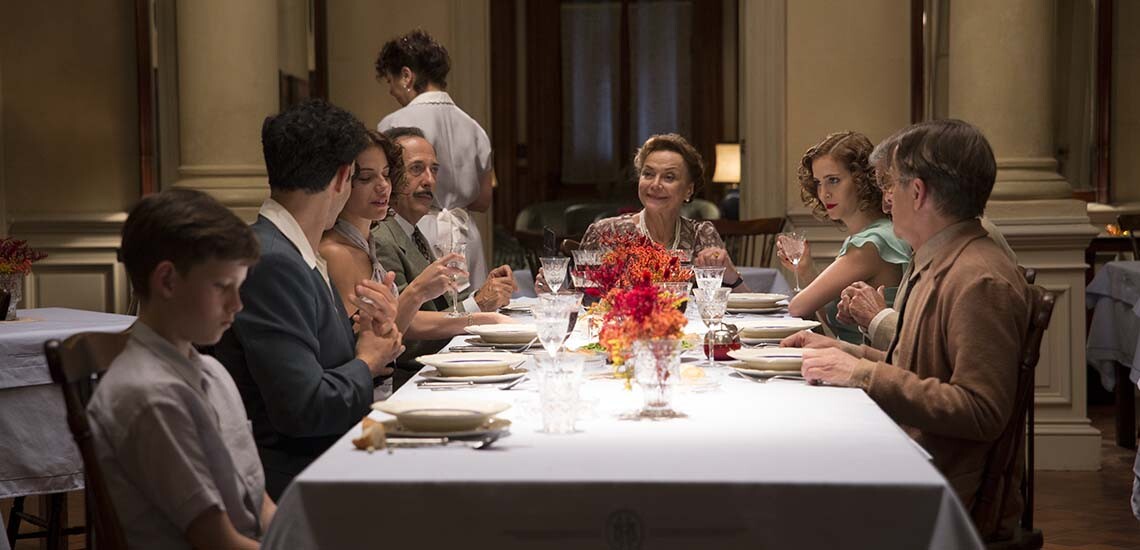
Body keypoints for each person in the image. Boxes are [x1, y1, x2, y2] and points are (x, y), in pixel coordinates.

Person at [781, 119, 1031, 540]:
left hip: (939, 488)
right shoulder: (936, 260)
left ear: (917, 193)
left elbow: (982, 411)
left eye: (889, 185)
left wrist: (863, 373)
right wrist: (846, 353)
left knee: (787, 484)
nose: (884, 198)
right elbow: (918, 367)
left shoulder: (978, 278)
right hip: (910, 455)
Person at [213, 99, 405, 499]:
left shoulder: (294, 250)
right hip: (298, 479)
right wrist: (367, 360)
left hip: (327, 454)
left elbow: (321, 364)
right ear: (343, 177)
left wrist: (368, 337)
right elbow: (303, 409)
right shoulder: (274, 261)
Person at [89, 188, 273, 549]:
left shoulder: (213, 373)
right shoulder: (149, 397)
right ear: (168, 281)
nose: (237, 304)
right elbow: (218, 542)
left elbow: (259, 503)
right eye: (222, 286)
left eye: (239, 287)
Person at [373, 126, 516, 388]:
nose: (429, 180)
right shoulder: (383, 237)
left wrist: (480, 296)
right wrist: (479, 309)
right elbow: (407, 327)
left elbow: (440, 308)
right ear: (390, 176)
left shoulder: (411, 232)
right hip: (409, 378)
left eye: (434, 169)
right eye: (417, 169)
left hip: (438, 364)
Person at [551, 133, 747, 291]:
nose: (655, 184)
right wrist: (553, 291)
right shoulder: (606, 234)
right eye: (648, 174)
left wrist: (732, 277)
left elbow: (745, 307)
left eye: (669, 177)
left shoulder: (702, 236)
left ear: (688, 190)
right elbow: (578, 304)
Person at [376, 28, 493, 290]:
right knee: (474, 309)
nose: (391, 91)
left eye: (390, 81)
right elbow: (484, 199)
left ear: (407, 75)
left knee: (429, 309)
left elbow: (382, 186)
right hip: (465, 234)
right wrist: (453, 198)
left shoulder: (393, 124)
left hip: (416, 231)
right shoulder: (475, 127)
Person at [776, 131, 910, 343]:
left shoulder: (872, 243)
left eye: (834, 180)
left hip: (868, 360)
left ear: (861, 180)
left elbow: (797, 307)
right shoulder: (871, 235)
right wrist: (806, 269)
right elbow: (836, 324)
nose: (824, 193)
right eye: (818, 182)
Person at [838, 216, 1017, 350]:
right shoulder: (934, 246)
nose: (885, 205)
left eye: (890, 187)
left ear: (918, 192)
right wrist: (849, 351)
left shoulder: (975, 269)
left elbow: (934, 360)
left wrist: (877, 318)